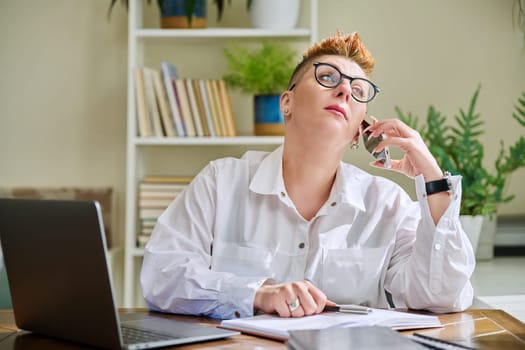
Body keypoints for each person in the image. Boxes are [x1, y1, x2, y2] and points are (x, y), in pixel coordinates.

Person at [141, 31, 475, 320]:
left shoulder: (386, 204)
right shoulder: (221, 182)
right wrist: (257, 293)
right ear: (286, 102)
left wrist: (432, 178)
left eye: (359, 90)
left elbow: (442, 295)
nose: (345, 90)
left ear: (361, 131)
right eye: (328, 77)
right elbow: (161, 276)